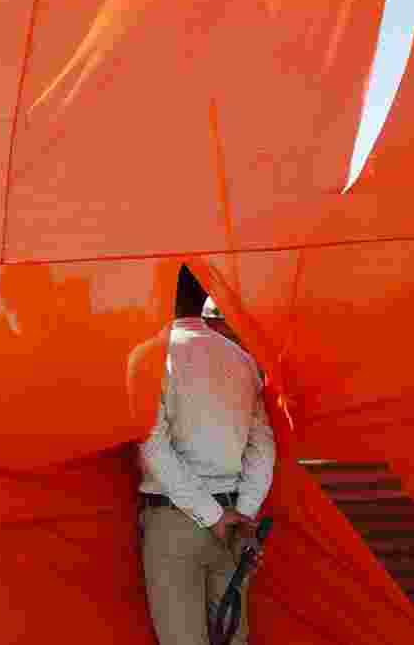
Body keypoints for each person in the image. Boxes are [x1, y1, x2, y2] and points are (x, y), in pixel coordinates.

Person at [139, 266, 275, 645]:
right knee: (234, 639)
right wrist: (241, 516)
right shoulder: (242, 360)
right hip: (233, 524)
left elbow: (152, 446)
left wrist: (214, 516)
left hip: (175, 522)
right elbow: (263, 445)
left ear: (160, 294)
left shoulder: (152, 357)